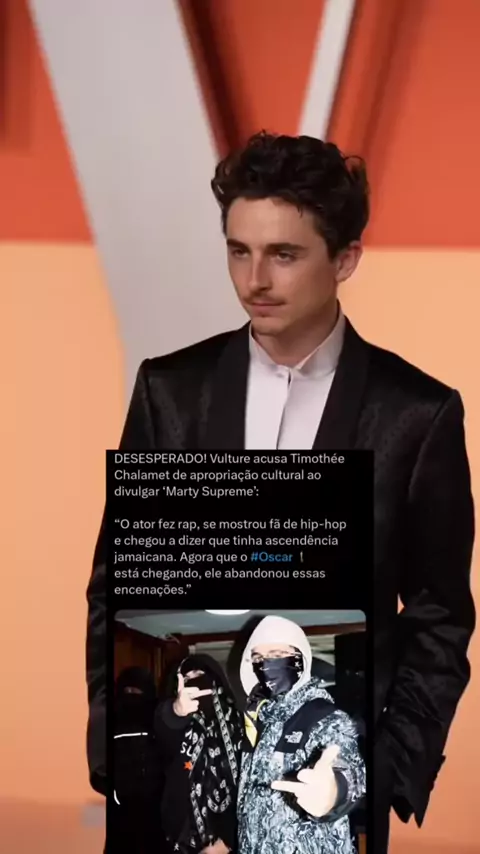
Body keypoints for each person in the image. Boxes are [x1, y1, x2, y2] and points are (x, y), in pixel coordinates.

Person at [86, 131, 476, 852]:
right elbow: (119, 585)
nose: (254, 279)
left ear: (346, 259)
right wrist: (123, 746)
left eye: (284, 254)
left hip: (325, 793)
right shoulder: (170, 392)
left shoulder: (416, 415)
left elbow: (440, 615)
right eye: (239, 250)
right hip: (176, 776)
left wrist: (381, 772)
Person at [236, 615, 365, 854]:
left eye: (277, 654)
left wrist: (332, 794)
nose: (265, 664)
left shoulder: (325, 717)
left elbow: (348, 770)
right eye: (257, 658)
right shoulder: (258, 720)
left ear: (300, 659)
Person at [155, 654, 244, 854]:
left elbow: (251, 787)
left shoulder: (240, 724)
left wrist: (227, 842)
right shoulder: (180, 725)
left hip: (234, 839)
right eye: (186, 678)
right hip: (183, 840)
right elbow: (164, 728)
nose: (193, 681)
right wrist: (177, 711)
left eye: (198, 674)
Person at [111, 667, 162, 853]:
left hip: (155, 811)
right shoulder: (112, 718)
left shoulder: (160, 717)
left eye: (137, 691)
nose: (132, 696)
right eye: (128, 691)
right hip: (121, 810)